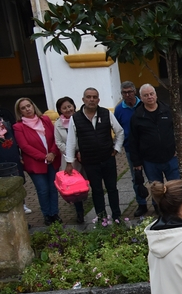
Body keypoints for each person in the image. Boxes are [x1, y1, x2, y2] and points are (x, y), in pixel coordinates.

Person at [64, 87, 125, 221]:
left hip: (108, 158)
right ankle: (102, 218)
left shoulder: (106, 113)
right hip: (90, 161)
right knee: (96, 190)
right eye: (88, 97)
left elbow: (120, 132)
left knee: (112, 188)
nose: (91, 99)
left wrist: (116, 148)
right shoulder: (76, 118)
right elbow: (71, 142)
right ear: (83, 99)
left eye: (94, 97)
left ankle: (117, 216)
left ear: (98, 100)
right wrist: (69, 162)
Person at [13, 97, 60, 225]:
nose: (27, 109)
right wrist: (44, 156)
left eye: (29, 106)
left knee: (53, 188)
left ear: (33, 106)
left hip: (52, 159)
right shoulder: (18, 127)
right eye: (23, 108)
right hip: (35, 163)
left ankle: (55, 213)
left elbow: (55, 137)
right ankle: (47, 215)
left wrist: (52, 153)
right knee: (43, 189)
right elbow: (24, 146)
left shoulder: (45, 120)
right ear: (20, 112)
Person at [131, 84, 180, 186]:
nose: (149, 97)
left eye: (151, 94)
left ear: (156, 95)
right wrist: (136, 162)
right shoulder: (137, 116)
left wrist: (177, 148)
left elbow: (179, 130)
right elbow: (133, 140)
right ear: (141, 98)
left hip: (170, 158)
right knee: (157, 190)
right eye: (146, 95)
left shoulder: (168, 111)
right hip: (150, 161)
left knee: (175, 188)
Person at [114, 81, 149, 217]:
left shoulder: (144, 104)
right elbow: (117, 129)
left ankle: (157, 203)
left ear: (135, 92)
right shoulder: (119, 110)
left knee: (153, 177)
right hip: (131, 149)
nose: (127, 95)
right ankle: (141, 204)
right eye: (124, 93)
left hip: (148, 147)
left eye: (130, 92)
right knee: (136, 178)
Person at [52, 96, 85, 223]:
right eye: (64, 108)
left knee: (90, 181)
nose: (68, 109)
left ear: (74, 106)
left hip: (84, 156)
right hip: (69, 159)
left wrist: (80, 151)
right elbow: (58, 142)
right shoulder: (58, 124)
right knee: (75, 187)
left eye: (69, 106)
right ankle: (80, 213)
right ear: (60, 110)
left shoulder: (81, 118)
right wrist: (71, 152)